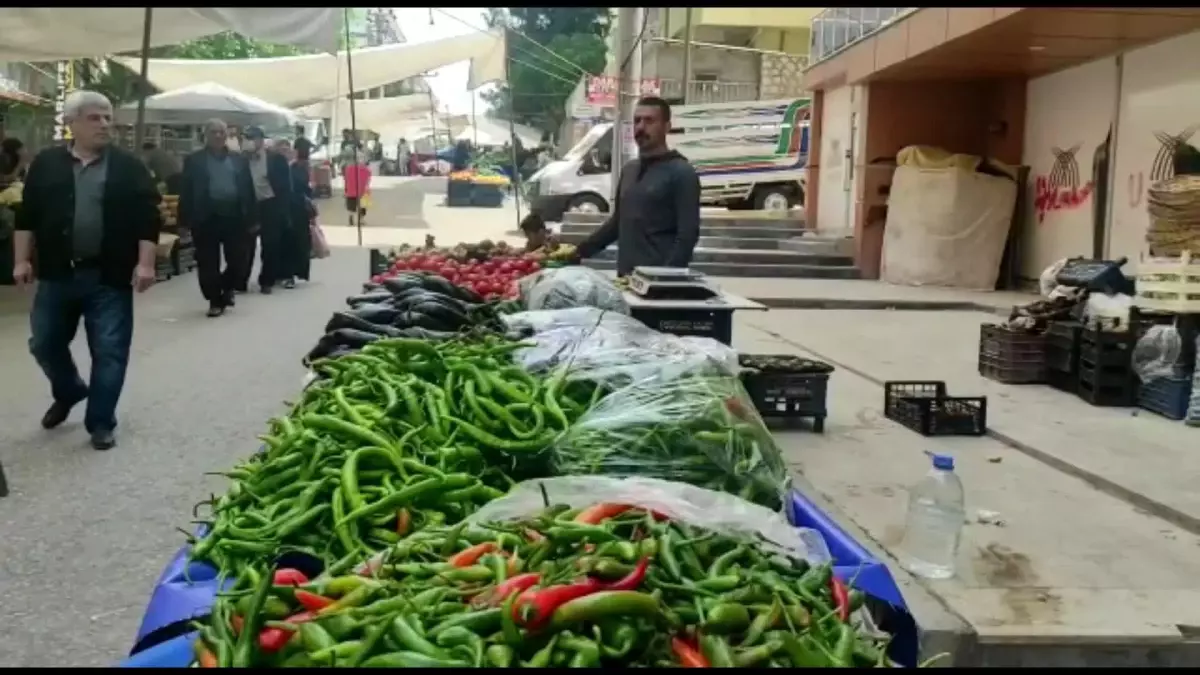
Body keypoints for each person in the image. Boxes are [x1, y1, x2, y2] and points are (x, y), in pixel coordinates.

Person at [12, 90, 161, 450]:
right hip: (58, 273)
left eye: (108, 117)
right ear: (72, 123)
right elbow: (27, 215)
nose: (105, 124)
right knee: (44, 343)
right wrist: (21, 259)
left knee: (110, 350)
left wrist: (145, 263)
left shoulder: (129, 167)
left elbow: (148, 219)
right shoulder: (46, 164)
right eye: (95, 118)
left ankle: (100, 422)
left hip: (107, 275)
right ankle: (70, 390)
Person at [572, 96, 701, 275]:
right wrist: (578, 252)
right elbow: (617, 224)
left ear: (667, 127)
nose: (640, 127)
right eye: (637, 121)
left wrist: (666, 279)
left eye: (649, 121)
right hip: (626, 280)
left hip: (659, 287)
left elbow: (687, 236)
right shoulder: (629, 170)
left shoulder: (682, 173)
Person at [179, 118, 255, 317]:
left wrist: (254, 218)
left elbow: (248, 189)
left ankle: (226, 287)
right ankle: (215, 300)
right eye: (214, 132)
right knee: (207, 263)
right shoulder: (194, 160)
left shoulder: (239, 160)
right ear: (206, 135)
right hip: (206, 217)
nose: (218, 136)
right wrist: (183, 221)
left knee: (239, 261)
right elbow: (186, 191)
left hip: (235, 217)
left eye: (222, 132)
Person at [240, 127, 292, 294]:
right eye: (246, 138)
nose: (249, 141)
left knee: (270, 244)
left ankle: (267, 280)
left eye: (252, 138)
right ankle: (240, 280)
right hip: (249, 206)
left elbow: (285, 187)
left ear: (261, 140)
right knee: (245, 246)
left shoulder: (275, 159)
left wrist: (284, 210)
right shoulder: (239, 160)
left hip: (270, 204)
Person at [274, 139, 314, 288]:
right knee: (288, 241)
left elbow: (308, 189)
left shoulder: (303, 166)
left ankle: (291, 274)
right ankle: (285, 274)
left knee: (298, 242)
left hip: (299, 209)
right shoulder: (290, 166)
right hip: (286, 207)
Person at [343, 151, 372, 226]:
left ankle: (351, 217)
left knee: (351, 207)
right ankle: (361, 220)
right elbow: (368, 182)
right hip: (362, 192)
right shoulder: (367, 170)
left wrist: (346, 190)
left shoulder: (348, 169)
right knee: (363, 206)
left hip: (351, 191)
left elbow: (346, 180)